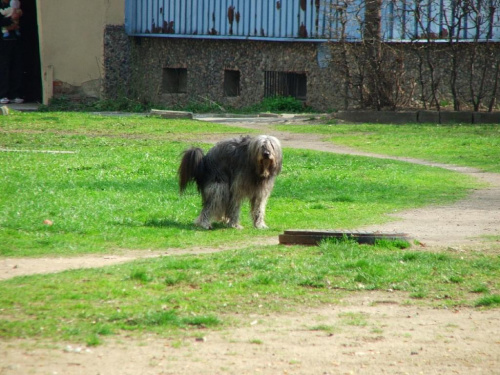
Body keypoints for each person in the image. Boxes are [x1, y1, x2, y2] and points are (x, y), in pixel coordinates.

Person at [0, 0, 23, 104]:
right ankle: (3, 94)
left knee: (16, 66)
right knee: (3, 67)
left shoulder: (14, 3)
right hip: (2, 42)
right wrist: (10, 21)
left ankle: (15, 94)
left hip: (15, 40)